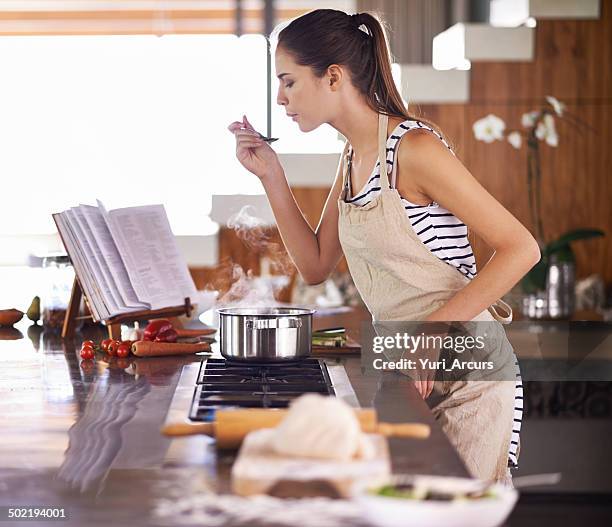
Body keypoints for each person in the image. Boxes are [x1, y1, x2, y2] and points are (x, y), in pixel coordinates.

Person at [228, 9, 540, 484]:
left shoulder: (414, 148)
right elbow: (314, 265)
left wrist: (432, 331)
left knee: (444, 517)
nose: (280, 98)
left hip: (467, 375)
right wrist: (271, 172)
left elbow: (521, 247)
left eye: (289, 82)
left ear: (332, 77)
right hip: (406, 367)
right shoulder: (354, 154)